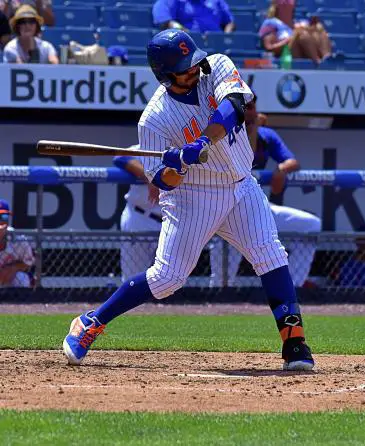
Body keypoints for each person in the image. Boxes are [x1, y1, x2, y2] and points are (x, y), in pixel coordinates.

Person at [62, 29, 314, 372]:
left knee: (270, 253)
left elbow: (235, 107)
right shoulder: (154, 118)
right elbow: (161, 181)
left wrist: (201, 141)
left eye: (193, 61)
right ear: (165, 74)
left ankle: (294, 341)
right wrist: (177, 164)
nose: (193, 69)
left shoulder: (217, 66)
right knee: (167, 279)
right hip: (194, 196)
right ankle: (91, 321)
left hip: (241, 185)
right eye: (184, 67)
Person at [209, 93, 321, 288]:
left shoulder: (266, 135)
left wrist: (281, 169)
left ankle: (293, 289)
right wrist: (251, 127)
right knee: (220, 282)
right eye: (243, 107)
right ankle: (216, 300)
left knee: (310, 225)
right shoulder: (220, 133)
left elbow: (292, 161)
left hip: (257, 205)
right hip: (227, 210)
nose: (247, 111)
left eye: (251, 107)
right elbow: (246, 158)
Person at [113, 151, 162, 281]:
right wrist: (151, 178)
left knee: (170, 277)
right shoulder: (144, 147)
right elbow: (120, 157)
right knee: (133, 277)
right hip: (140, 216)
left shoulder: (179, 148)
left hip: (170, 221)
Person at [258, 4, 331, 64]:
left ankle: (327, 57)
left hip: (303, 52)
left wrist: (313, 27)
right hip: (286, 56)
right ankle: (318, 61)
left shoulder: (296, 23)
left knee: (319, 28)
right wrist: (288, 40)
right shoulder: (270, 23)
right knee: (301, 33)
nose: (286, 1)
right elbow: (269, 47)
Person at [0, 200, 35, 288]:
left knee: (22, 278)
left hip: (8, 281)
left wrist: (13, 268)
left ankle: (18, 301)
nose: (0, 222)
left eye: (3, 217)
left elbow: (28, 262)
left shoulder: (18, 239)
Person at [152, 0, 235, 33]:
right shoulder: (172, 1)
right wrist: (187, 33)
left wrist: (225, 37)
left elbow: (229, 22)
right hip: (187, 46)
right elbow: (166, 21)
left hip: (217, 45)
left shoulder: (216, 1)